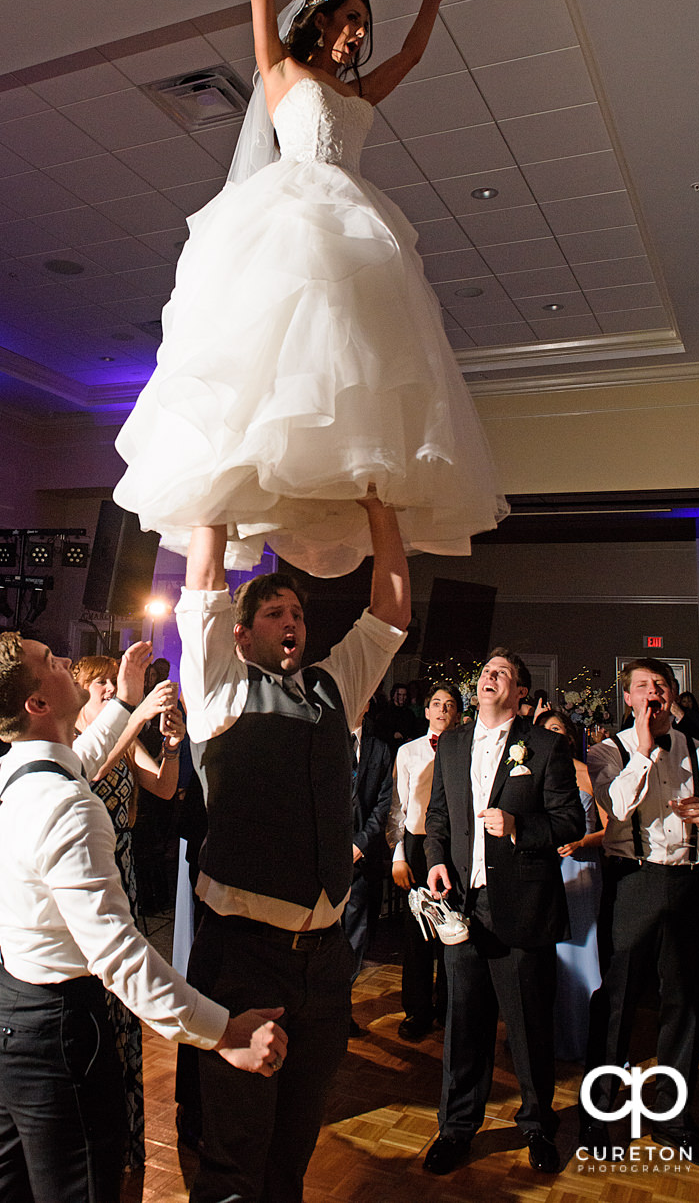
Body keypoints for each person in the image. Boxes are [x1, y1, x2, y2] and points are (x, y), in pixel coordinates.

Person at [112, 0, 507, 580]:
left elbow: (410, 61)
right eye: (350, 17)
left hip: (352, 216)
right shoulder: (282, 70)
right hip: (292, 208)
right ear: (321, 22)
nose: (359, 30)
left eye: (364, 21)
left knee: (352, 354)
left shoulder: (356, 93)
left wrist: (429, 2)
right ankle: (240, 483)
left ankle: (351, 482)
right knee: (276, 342)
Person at [0, 631, 286, 1203]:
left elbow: (74, 762)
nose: (65, 661)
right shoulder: (68, 807)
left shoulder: (7, 773)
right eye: (52, 662)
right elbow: (119, 955)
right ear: (38, 703)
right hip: (52, 1030)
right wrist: (221, 1032)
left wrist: (124, 703)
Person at [179, 495, 410, 1203]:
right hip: (244, 956)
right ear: (243, 635)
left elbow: (391, 613)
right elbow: (202, 594)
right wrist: (214, 494)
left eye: (299, 615)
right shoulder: (220, 687)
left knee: (293, 1150)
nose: (292, 624)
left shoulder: (331, 688)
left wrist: (380, 503)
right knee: (235, 1155)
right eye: (276, 614)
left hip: (326, 961)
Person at [423, 648, 585, 1176]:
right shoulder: (451, 743)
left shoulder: (545, 746)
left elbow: (568, 823)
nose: (490, 677)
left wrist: (519, 830)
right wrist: (435, 863)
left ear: (520, 693)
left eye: (503, 674)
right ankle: (456, 1128)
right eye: (486, 670)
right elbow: (438, 815)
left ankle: (538, 1124)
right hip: (461, 906)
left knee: (528, 1027)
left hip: (519, 905)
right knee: (463, 1024)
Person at [582, 659, 699, 1170]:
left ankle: (674, 1119)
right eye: (642, 687)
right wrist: (642, 749)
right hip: (633, 880)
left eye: (660, 686)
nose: (652, 694)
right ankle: (599, 1114)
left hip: (692, 883)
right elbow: (616, 806)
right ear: (629, 700)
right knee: (617, 1001)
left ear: (674, 695)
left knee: (684, 1005)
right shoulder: (606, 751)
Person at [72, 652, 186, 1173]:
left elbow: (162, 786)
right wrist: (133, 716)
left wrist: (170, 743)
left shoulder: (126, 735)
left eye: (110, 684)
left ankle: (125, 1137)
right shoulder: (70, 746)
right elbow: (87, 773)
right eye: (99, 684)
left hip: (124, 876)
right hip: (87, 880)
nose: (106, 690)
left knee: (123, 1003)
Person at [388, 684, 461, 1041]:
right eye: (436, 704)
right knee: (417, 933)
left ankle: (450, 1008)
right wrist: (398, 856)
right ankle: (417, 1010)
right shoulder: (408, 752)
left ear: (458, 714)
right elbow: (396, 809)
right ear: (427, 711)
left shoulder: (468, 751)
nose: (443, 710)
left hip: (454, 844)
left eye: (450, 705)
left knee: (454, 928)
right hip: (416, 843)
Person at [540, 707, 605, 1063]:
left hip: (581, 869)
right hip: (548, 871)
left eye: (558, 729)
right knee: (550, 959)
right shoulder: (538, 774)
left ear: (569, 736)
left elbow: (611, 830)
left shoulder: (588, 773)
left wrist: (581, 843)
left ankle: (584, 1041)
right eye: (546, 729)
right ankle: (548, 1037)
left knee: (582, 956)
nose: (553, 735)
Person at [342, 696, 394, 1033]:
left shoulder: (380, 750)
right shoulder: (325, 739)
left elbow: (383, 803)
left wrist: (360, 845)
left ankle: (341, 1010)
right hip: (324, 860)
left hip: (362, 860)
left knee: (355, 939)